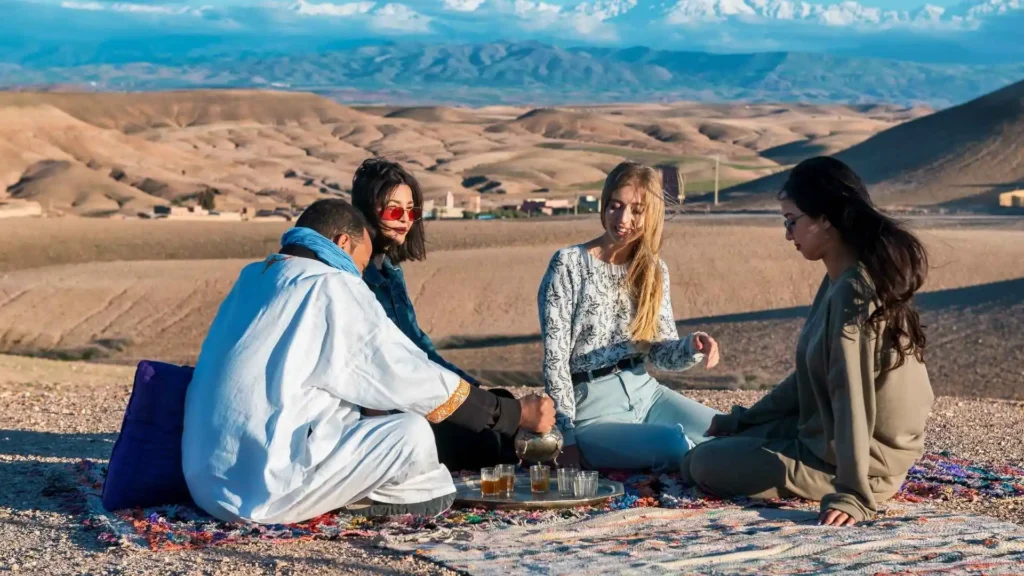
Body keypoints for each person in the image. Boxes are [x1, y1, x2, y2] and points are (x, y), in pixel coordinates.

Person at [182, 199, 476, 525]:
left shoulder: (254, 277)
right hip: (267, 492)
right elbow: (402, 373)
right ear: (341, 243)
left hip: (205, 486)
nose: (359, 274)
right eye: (362, 265)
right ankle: (359, 496)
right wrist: (501, 413)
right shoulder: (331, 283)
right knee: (413, 434)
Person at [681, 156, 934, 528]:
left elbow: (853, 398)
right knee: (711, 449)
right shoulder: (839, 278)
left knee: (699, 464)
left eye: (792, 221)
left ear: (825, 221)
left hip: (868, 461)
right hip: (828, 435)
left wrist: (852, 494)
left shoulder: (854, 291)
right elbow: (807, 379)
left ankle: (859, 484)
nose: (788, 234)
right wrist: (745, 420)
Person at [350, 157, 554, 471]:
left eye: (412, 211)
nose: (405, 220)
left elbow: (420, 347)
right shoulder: (356, 281)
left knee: (498, 401)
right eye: (393, 210)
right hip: (392, 408)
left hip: (422, 394)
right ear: (365, 212)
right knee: (487, 437)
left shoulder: (390, 272)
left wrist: (473, 391)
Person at [538, 160, 723, 472]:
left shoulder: (653, 269)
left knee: (726, 432)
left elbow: (662, 356)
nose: (623, 219)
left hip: (648, 394)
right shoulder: (567, 264)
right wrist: (565, 438)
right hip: (591, 412)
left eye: (636, 210)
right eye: (615, 206)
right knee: (674, 446)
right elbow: (555, 361)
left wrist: (692, 347)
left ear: (651, 214)